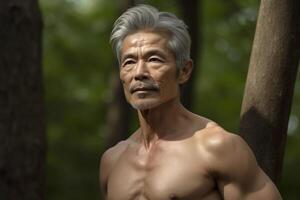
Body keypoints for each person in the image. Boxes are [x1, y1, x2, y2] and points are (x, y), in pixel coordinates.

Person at [100, 4, 282, 200]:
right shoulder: (113, 160)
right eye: (129, 62)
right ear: (121, 75)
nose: (139, 73)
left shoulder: (216, 147)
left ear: (184, 71)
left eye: (154, 59)